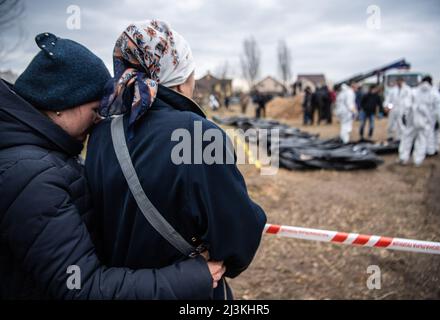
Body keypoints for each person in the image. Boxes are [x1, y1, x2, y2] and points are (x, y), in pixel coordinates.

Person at [0, 33, 224, 299]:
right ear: (60, 103)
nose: (99, 121)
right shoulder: (31, 177)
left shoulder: (42, 156)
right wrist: (193, 277)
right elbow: (83, 289)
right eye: (96, 109)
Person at [85, 20, 267, 300]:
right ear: (182, 78)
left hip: (121, 289)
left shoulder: (100, 134)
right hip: (189, 291)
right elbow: (237, 242)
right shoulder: (198, 134)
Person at [398, 76, 440, 166]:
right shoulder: (434, 94)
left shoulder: (414, 91)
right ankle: (418, 160)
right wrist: (436, 120)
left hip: (412, 120)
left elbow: (407, 104)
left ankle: (404, 158)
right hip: (425, 122)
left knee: (407, 138)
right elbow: (437, 110)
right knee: (422, 140)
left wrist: (404, 115)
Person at [425, 77, 440, 156]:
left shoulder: (431, 93)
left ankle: (431, 151)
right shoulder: (435, 90)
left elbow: (433, 107)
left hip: (438, 114)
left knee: (431, 132)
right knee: (437, 131)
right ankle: (436, 148)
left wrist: (437, 120)